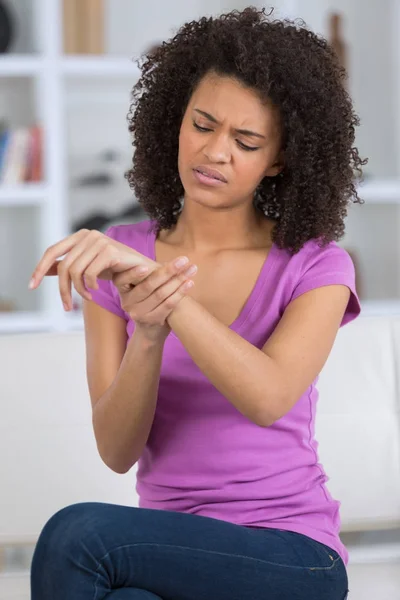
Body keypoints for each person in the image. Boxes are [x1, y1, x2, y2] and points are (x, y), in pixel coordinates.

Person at [29, 7, 366, 600]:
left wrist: (167, 297)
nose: (215, 152)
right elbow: (116, 451)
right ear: (174, 122)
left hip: (291, 555)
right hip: (169, 548)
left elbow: (267, 397)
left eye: (247, 140)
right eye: (203, 125)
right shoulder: (121, 257)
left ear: (279, 160)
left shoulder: (317, 264)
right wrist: (149, 333)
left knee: (75, 535)